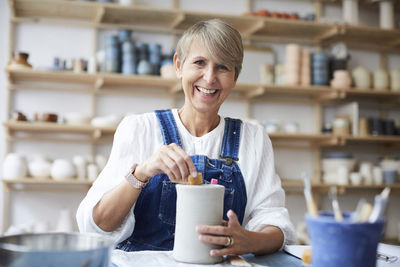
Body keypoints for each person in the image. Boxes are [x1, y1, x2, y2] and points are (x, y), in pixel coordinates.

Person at [77, 19, 296, 256]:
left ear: (235, 78)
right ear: (179, 66)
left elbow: (274, 222)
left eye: (223, 67)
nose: (210, 77)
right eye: (199, 63)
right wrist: (141, 173)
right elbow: (96, 227)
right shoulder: (139, 129)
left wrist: (249, 241)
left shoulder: (252, 139)